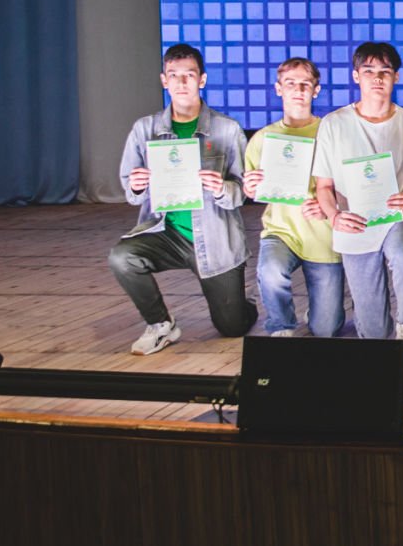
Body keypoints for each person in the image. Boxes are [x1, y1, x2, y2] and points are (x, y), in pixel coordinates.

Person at [108, 43, 257, 355]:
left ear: (202, 79)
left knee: (232, 327)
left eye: (189, 75)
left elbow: (244, 190)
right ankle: (161, 324)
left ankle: (244, 304)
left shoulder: (227, 129)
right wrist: (137, 186)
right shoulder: (144, 129)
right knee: (122, 257)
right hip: (167, 234)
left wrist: (222, 188)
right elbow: (130, 191)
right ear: (164, 80)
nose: (181, 82)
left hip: (215, 240)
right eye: (173, 75)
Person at [312, 42, 403, 342]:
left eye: (385, 71)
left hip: (398, 217)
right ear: (356, 76)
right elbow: (323, 186)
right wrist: (335, 217)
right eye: (369, 71)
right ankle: (376, 324)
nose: (377, 78)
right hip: (355, 221)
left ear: (396, 77)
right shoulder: (333, 124)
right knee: (374, 334)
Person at [243, 57, 343, 338]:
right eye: (290, 83)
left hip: (323, 237)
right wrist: (250, 189)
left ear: (316, 90)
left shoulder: (330, 133)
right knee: (271, 271)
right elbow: (252, 189)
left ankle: (319, 312)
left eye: (305, 84)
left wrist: (329, 205)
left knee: (326, 329)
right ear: (278, 89)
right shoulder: (263, 138)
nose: (298, 90)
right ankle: (281, 325)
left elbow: (349, 185)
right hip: (282, 230)